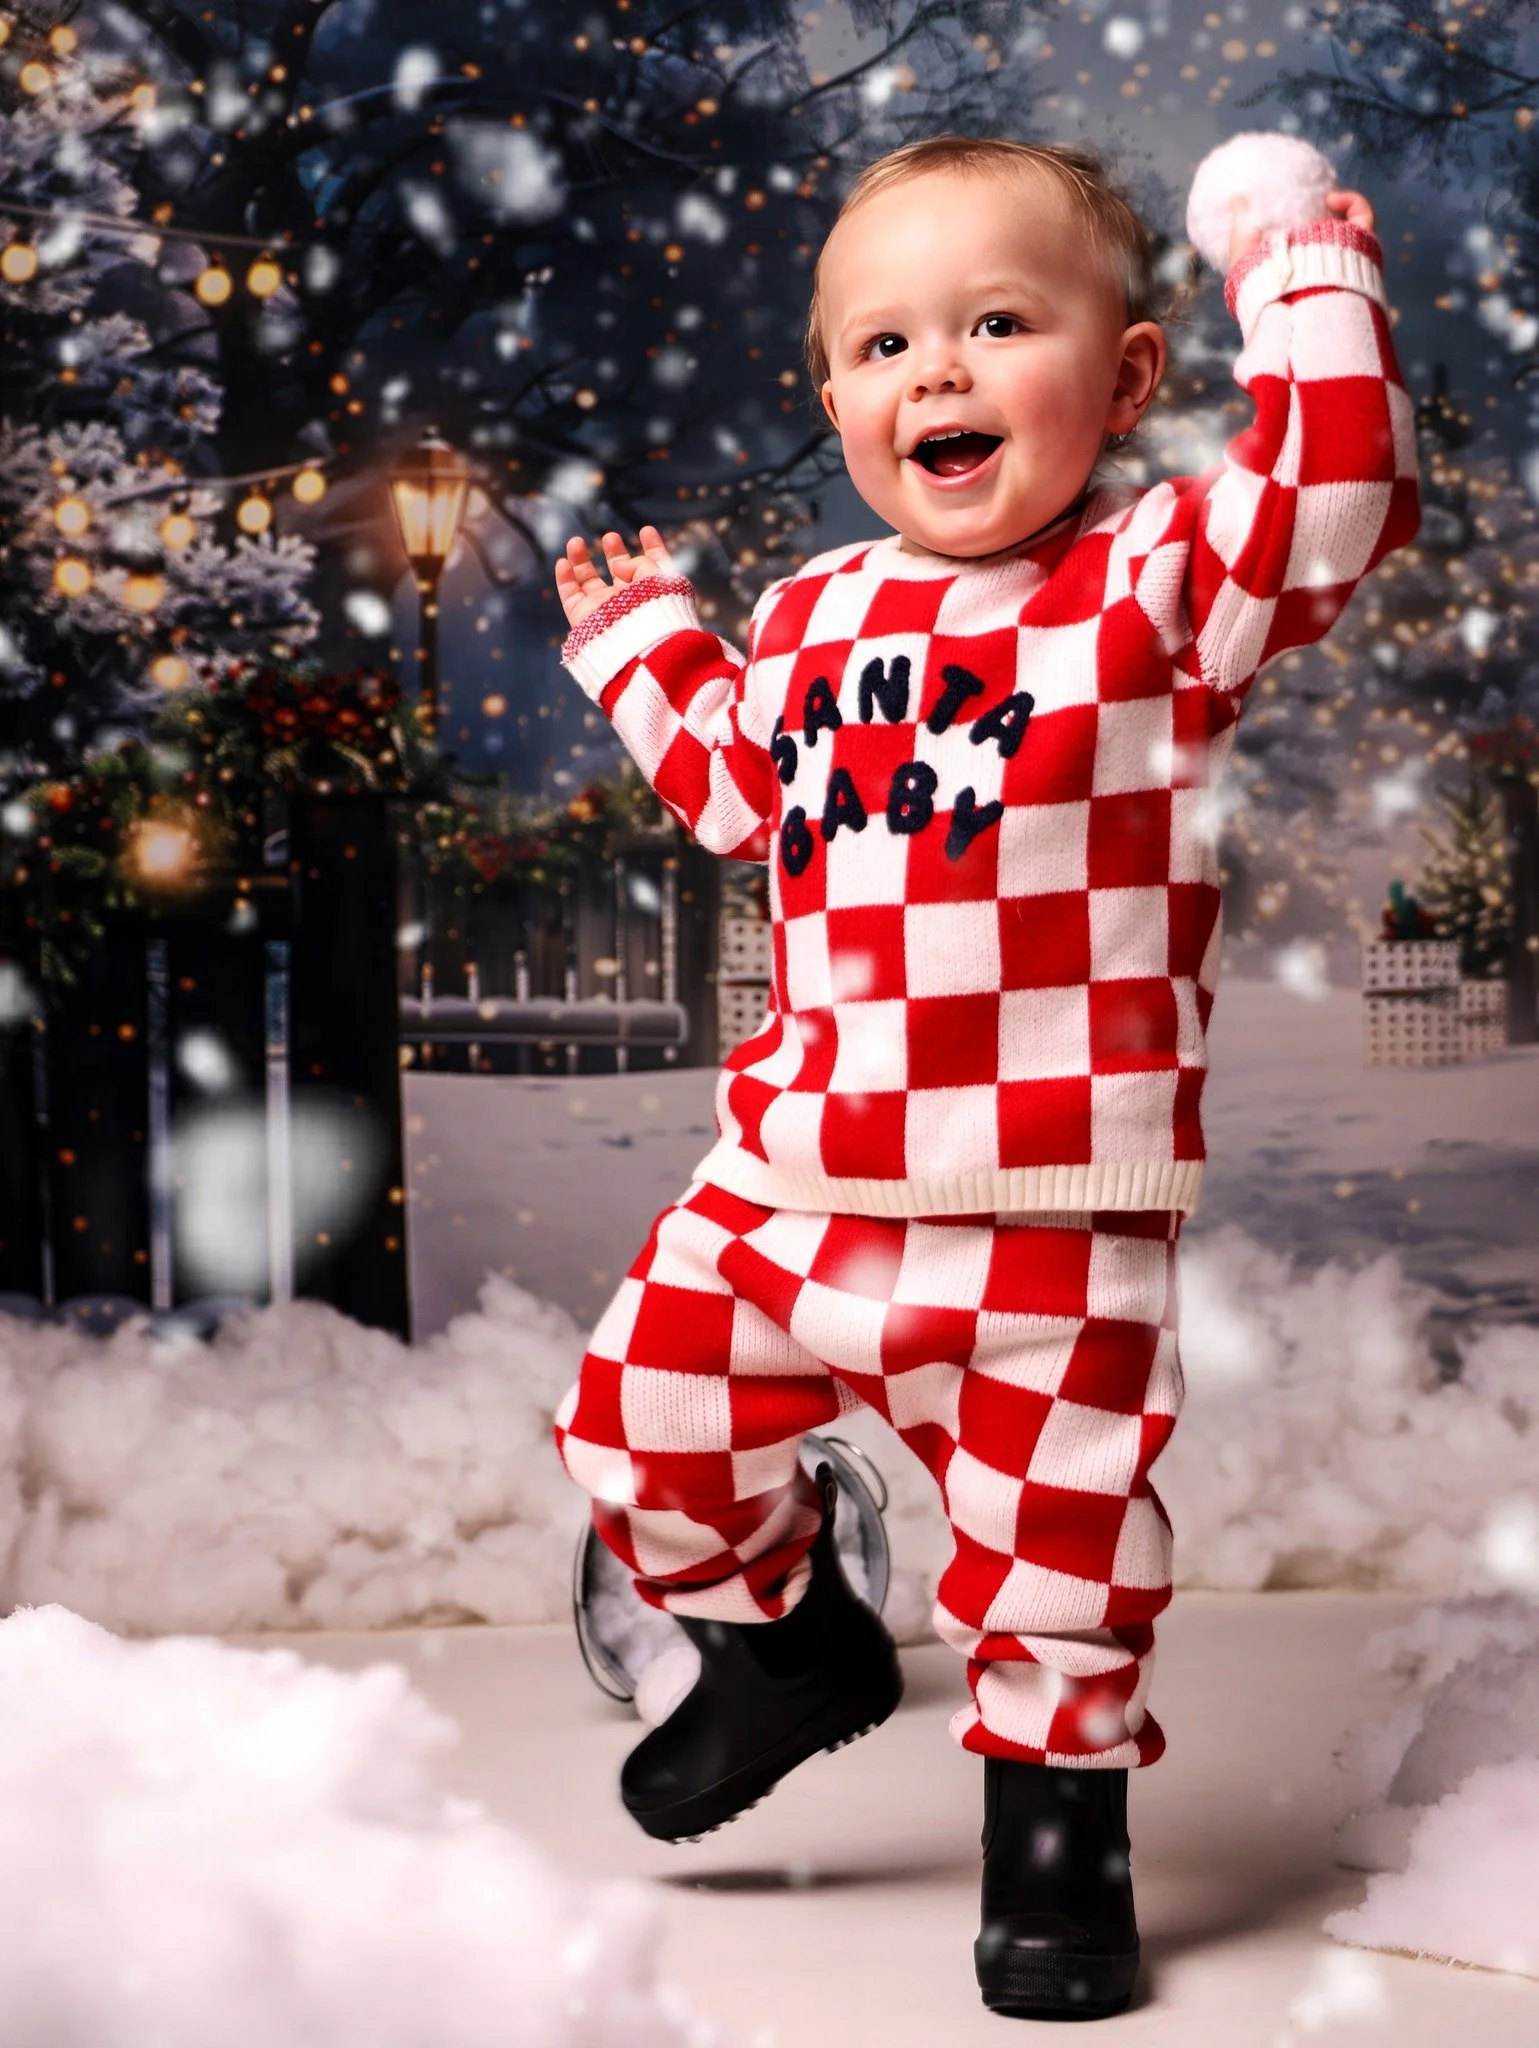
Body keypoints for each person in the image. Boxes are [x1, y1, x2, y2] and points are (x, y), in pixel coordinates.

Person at [550, 134, 1419, 2020]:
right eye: (879, 347)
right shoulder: (809, 615)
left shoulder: (1153, 591)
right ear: (837, 399)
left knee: (1057, 1561)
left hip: (1048, 1222)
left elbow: (1337, 488)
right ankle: (781, 1647)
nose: (930, 372)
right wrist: (644, 651)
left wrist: (1294, 252)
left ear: (1124, 381)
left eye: (996, 323)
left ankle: (1053, 1837)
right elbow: (741, 796)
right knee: (637, 1436)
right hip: (789, 1185)